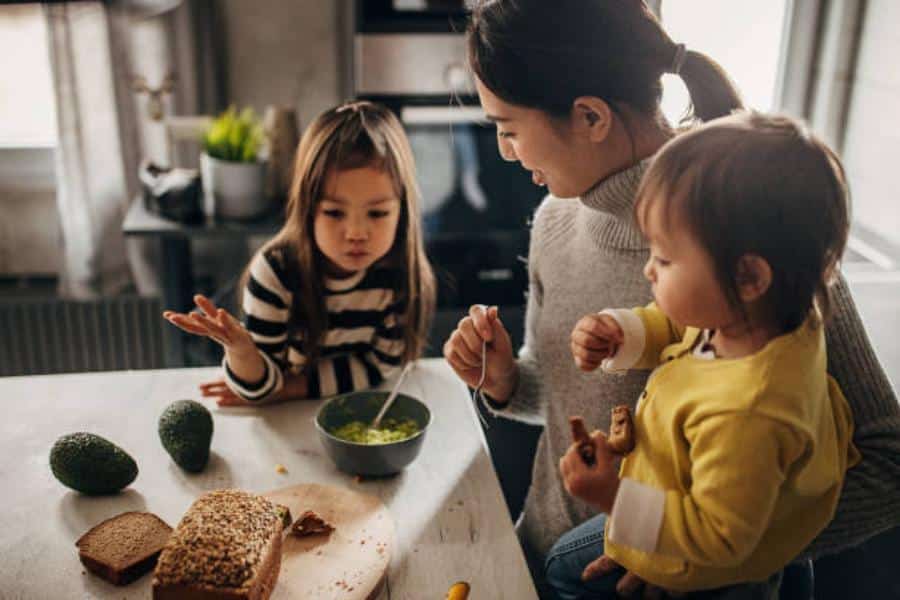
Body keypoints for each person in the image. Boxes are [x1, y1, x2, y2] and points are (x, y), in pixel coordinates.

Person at [443, 0, 900, 597]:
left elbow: (887, 466)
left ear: (589, 116)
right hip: (545, 561)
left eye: (508, 129)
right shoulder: (557, 218)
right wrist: (505, 381)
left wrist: (701, 553)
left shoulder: (756, 237)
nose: (505, 151)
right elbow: (565, 396)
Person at [552, 112, 859, 599]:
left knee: (561, 572)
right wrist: (624, 332)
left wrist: (614, 497)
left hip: (710, 565)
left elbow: (717, 536)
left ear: (750, 277)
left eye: (665, 259)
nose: (649, 270)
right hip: (707, 506)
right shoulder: (763, 316)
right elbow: (677, 322)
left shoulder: (750, 411)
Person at [164, 100, 435, 405]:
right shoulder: (275, 271)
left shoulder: (400, 272)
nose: (357, 233)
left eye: (377, 214)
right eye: (334, 213)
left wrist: (286, 388)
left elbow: (381, 366)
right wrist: (242, 353)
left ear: (403, 211)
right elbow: (258, 388)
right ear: (308, 210)